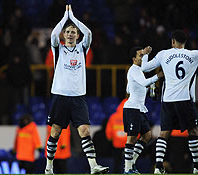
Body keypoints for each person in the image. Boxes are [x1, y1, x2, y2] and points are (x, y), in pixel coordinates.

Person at [45, 5, 109, 174]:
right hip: (60, 95)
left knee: (85, 130)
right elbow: (53, 35)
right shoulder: (58, 49)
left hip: (78, 97)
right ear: (64, 35)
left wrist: (73, 18)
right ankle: (49, 167)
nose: (71, 34)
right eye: (68, 32)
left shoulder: (82, 48)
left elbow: (89, 34)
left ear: (77, 35)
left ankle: (93, 166)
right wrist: (65, 18)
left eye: (73, 32)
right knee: (56, 132)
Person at [141, 30, 198, 174]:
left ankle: (159, 167)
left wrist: (145, 54)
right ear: (185, 43)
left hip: (167, 100)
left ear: (173, 41)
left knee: (164, 133)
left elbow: (145, 67)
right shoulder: (193, 55)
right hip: (184, 100)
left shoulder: (163, 54)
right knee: (193, 130)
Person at [123, 46, 163, 174]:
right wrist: (157, 76)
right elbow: (143, 83)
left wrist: (149, 89)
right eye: (140, 55)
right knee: (131, 138)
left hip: (139, 108)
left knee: (147, 135)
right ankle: (127, 169)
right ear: (134, 59)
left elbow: (129, 90)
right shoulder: (134, 70)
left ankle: (132, 162)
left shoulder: (138, 71)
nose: (142, 58)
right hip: (132, 108)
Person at [105, 98, 128, 173]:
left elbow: (108, 130)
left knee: (116, 163)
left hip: (116, 144)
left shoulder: (113, 117)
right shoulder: (130, 116)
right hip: (128, 144)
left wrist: (109, 138)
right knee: (128, 163)